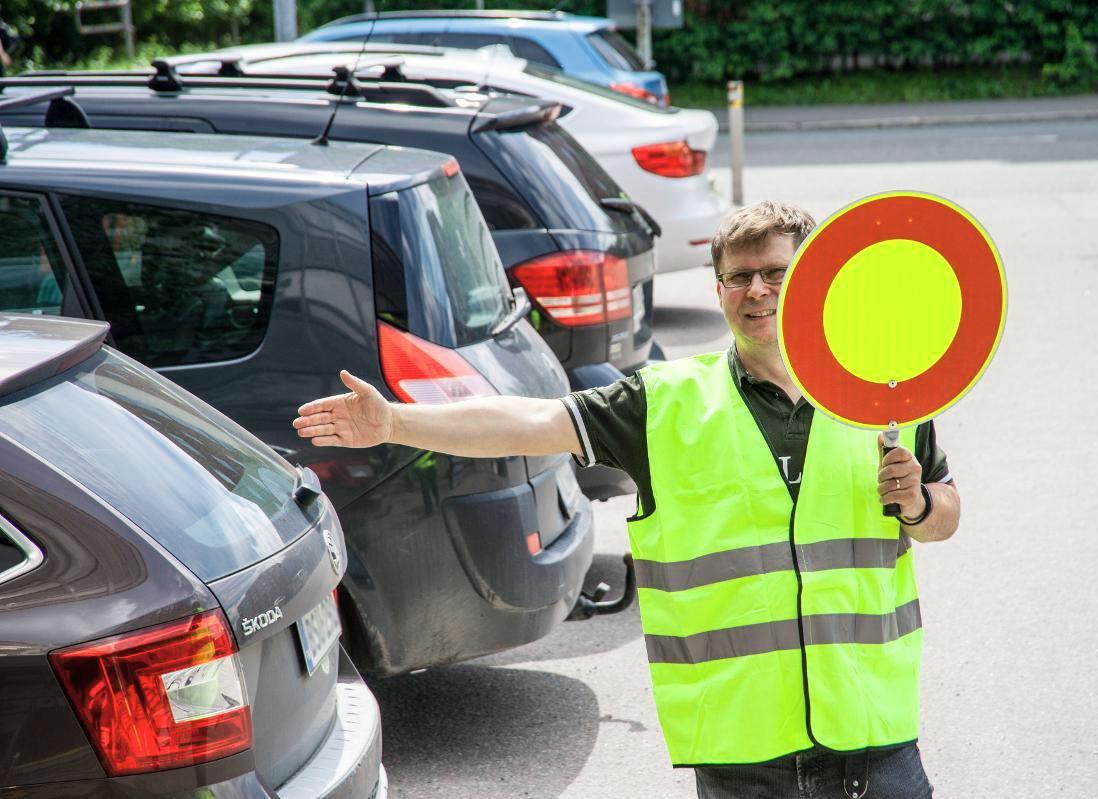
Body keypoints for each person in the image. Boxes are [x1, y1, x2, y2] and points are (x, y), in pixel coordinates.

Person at [294, 201, 960, 799]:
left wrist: (920, 505)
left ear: (813, 278)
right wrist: (396, 424)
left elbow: (946, 512)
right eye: (739, 276)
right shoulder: (666, 402)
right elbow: (532, 421)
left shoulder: (881, 392)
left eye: (777, 272)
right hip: (745, 750)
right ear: (720, 289)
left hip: (873, 740)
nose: (757, 289)